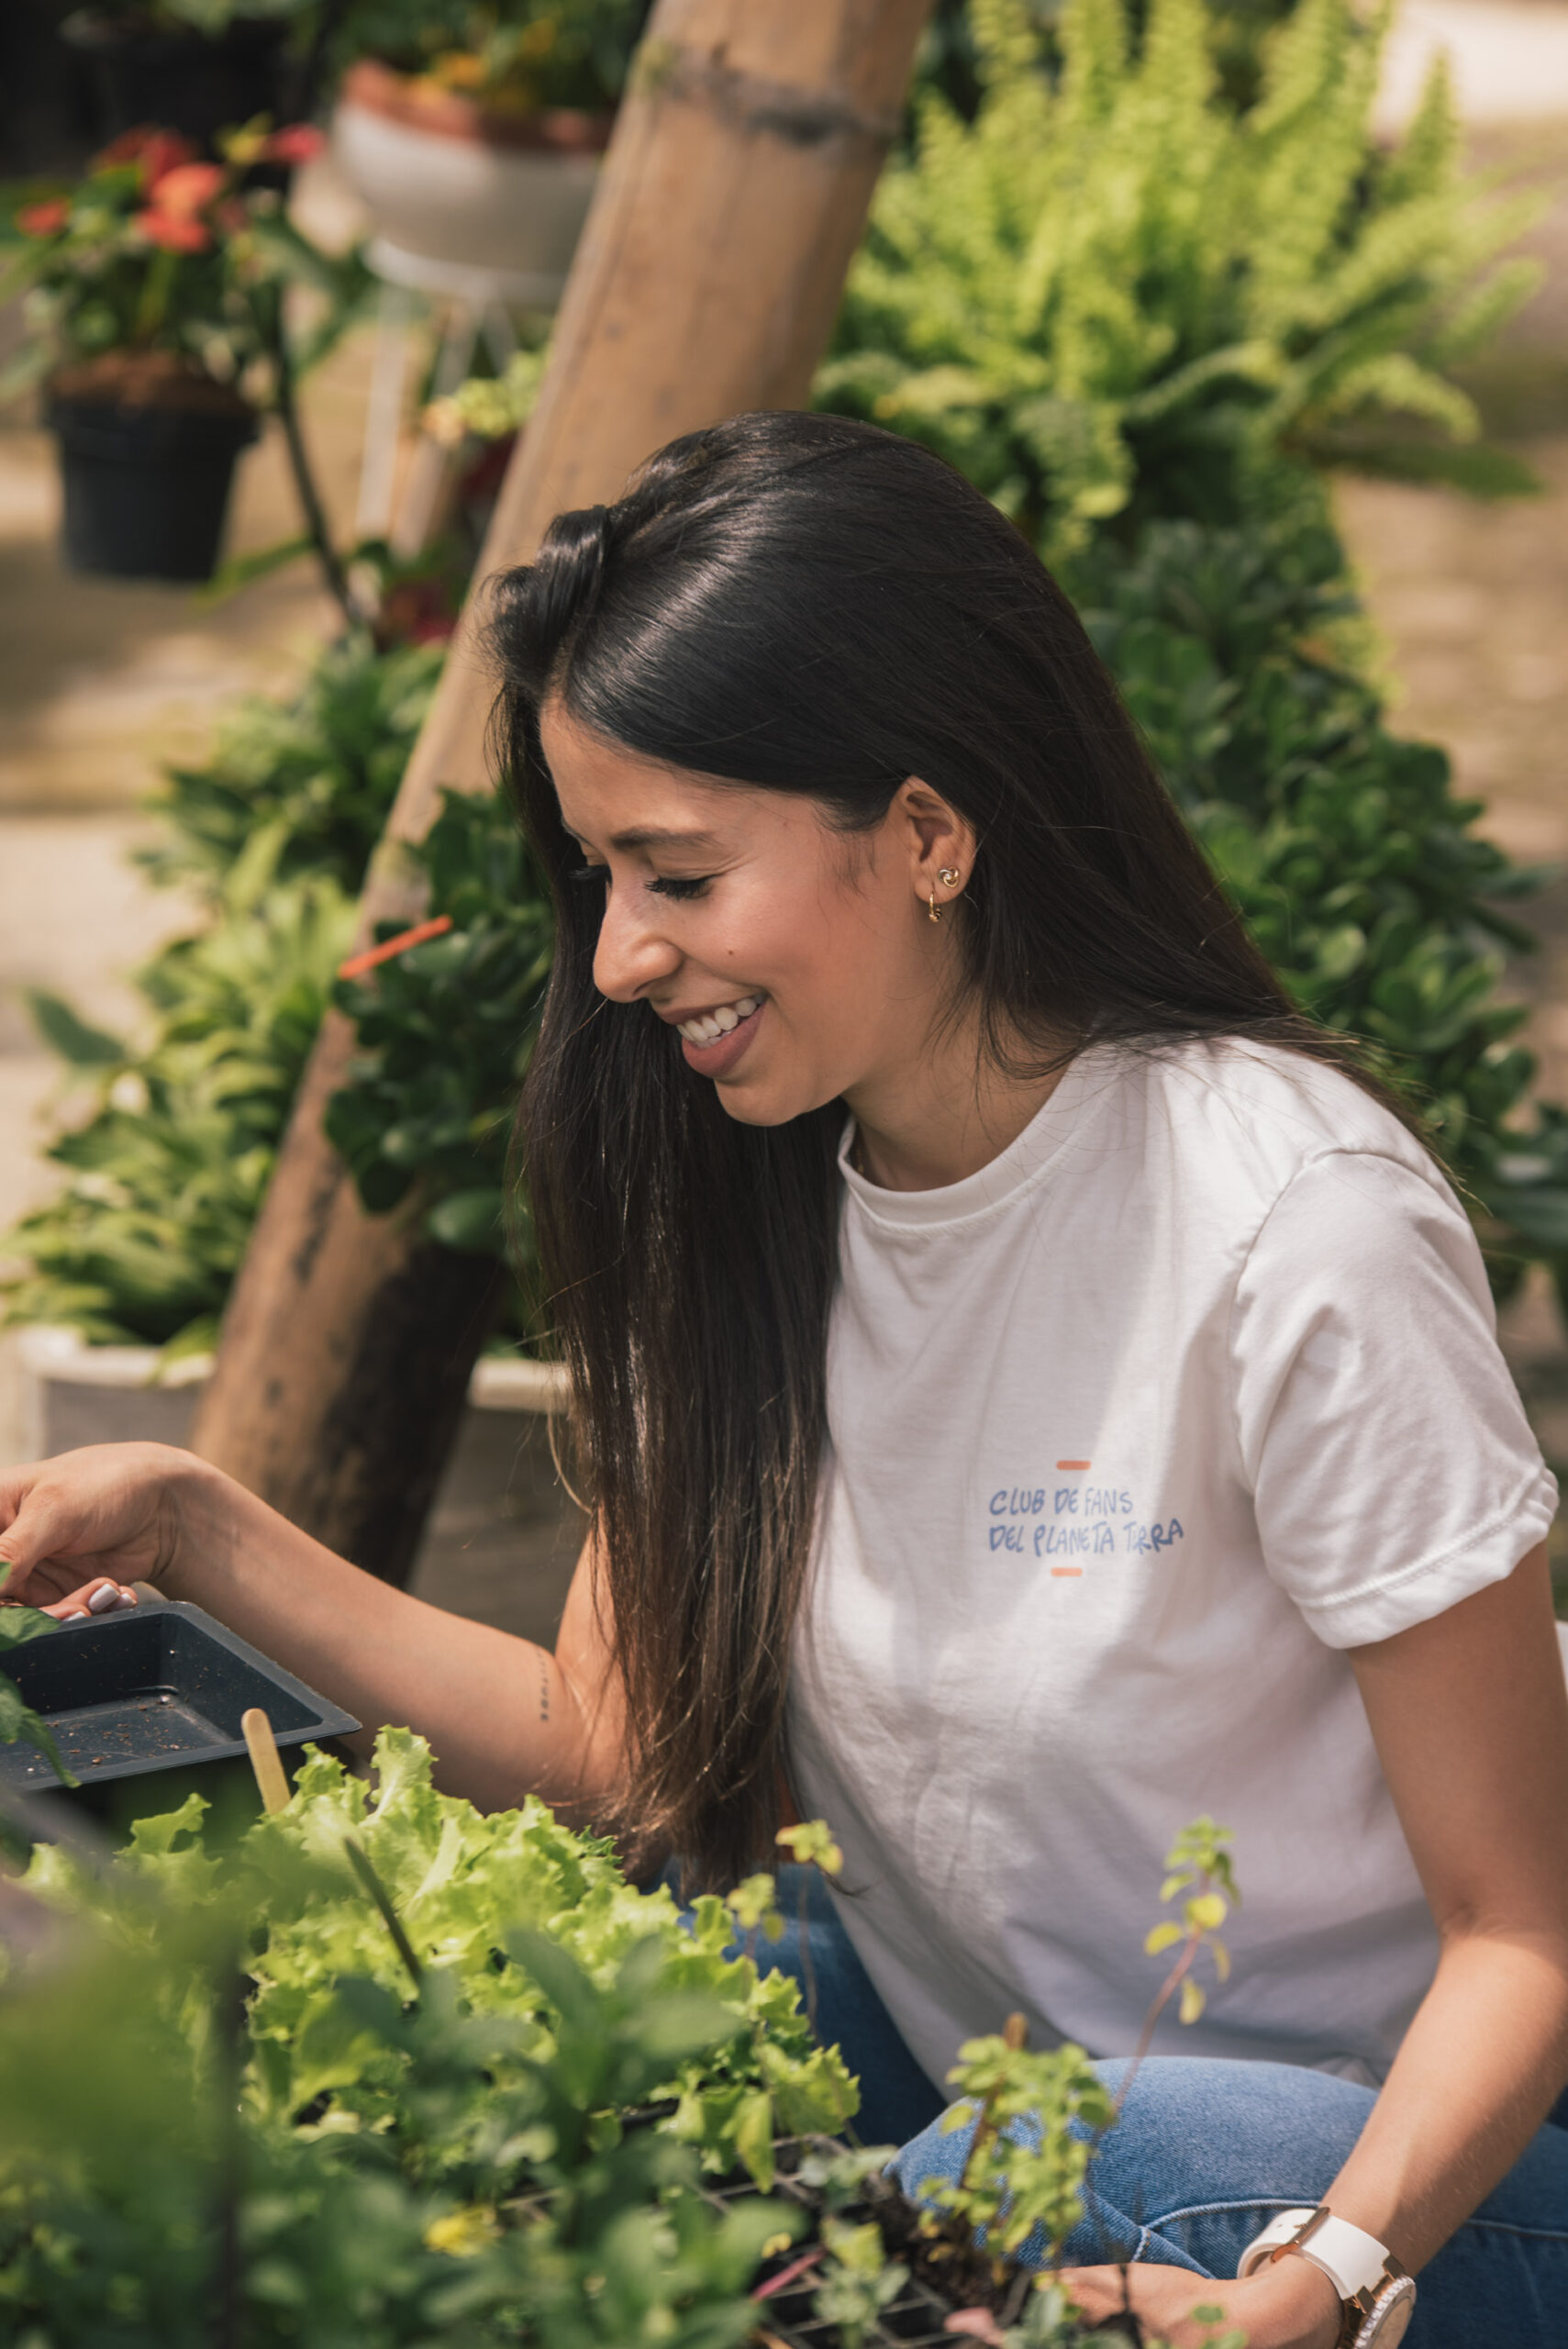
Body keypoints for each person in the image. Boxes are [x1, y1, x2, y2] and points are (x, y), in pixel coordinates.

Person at [3, 412, 1566, 2347]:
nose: (623, 953)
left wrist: (1326, 2285)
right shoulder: (745, 1192)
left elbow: (1524, 1932)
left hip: (1410, 2169)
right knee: (633, 2006)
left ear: (926, 830)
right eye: (598, 876)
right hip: (1017, 2093)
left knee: (1074, 2147)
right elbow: (612, 1744)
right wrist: (190, 1525)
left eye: (677, 870)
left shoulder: (1286, 1223)